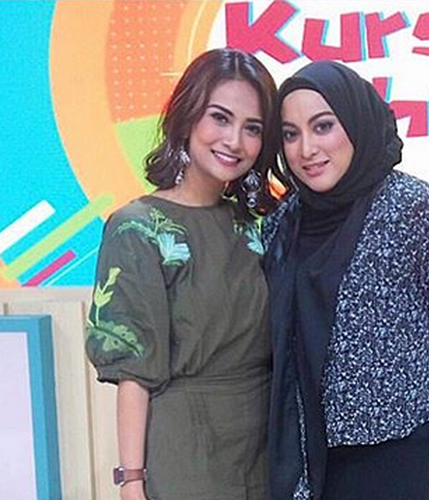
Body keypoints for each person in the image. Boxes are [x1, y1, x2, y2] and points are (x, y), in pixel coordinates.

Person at [263, 60, 429, 500]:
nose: (306, 149)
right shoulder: (281, 225)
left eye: (323, 126)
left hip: (402, 459)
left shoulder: (422, 209)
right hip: (305, 465)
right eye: (291, 134)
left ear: (356, 121)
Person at [85, 48, 278, 500]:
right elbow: (135, 371)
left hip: (265, 446)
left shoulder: (259, 225)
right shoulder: (137, 228)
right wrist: (131, 480)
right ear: (188, 115)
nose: (234, 140)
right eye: (220, 118)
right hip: (186, 449)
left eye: (252, 128)